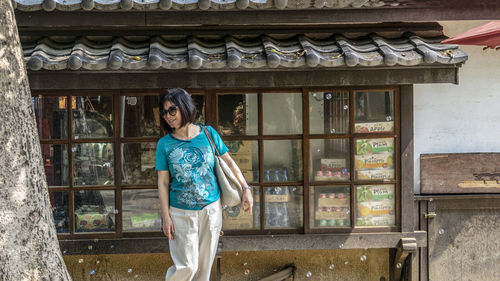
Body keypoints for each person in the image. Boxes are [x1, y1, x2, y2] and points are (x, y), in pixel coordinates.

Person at [155, 88, 253, 281]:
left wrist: (246, 188)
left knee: (204, 270)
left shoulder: (208, 134)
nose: (168, 116)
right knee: (187, 267)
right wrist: (166, 217)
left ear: (184, 107)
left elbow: (230, 163)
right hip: (180, 213)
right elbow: (163, 182)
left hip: (211, 210)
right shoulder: (164, 144)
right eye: (164, 112)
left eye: (172, 110)